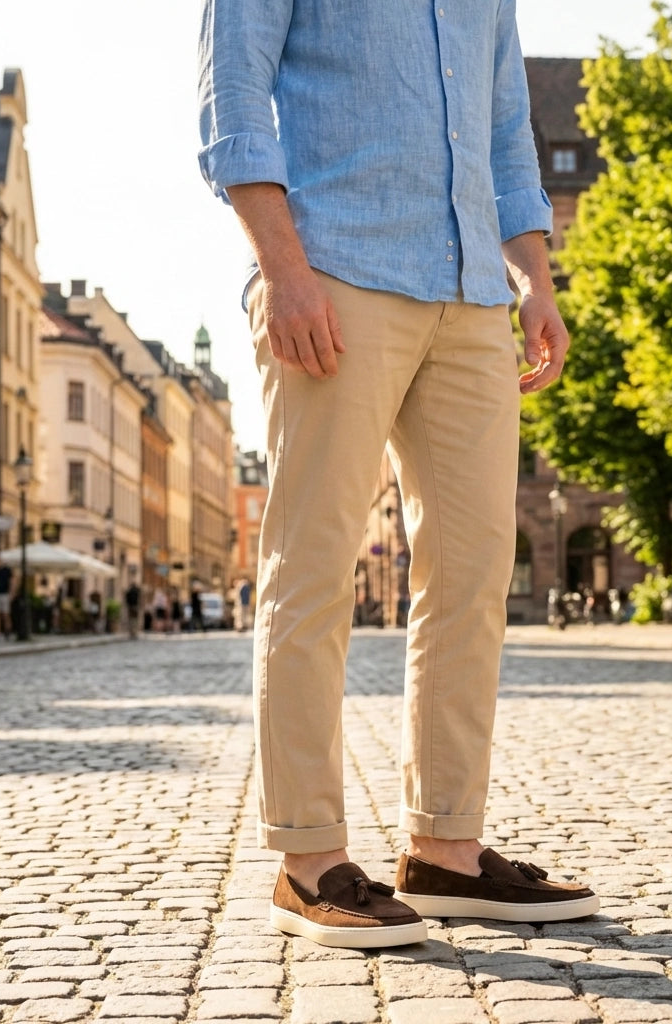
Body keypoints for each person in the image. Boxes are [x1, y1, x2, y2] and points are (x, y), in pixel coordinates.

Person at [197, 0, 598, 949]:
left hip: (472, 292)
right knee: (313, 566)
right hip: (334, 271)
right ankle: (308, 860)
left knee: (473, 573)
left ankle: (445, 849)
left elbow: (508, 131)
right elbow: (234, 98)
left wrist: (535, 281)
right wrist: (283, 271)